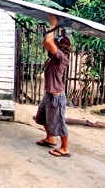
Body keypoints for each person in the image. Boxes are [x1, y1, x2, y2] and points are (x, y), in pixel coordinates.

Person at [35, 14, 72, 157]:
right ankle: (50, 138)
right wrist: (50, 30)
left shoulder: (61, 58)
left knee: (59, 122)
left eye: (56, 44)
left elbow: (50, 42)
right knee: (41, 117)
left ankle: (64, 148)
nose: (52, 46)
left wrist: (53, 26)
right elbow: (46, 42)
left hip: (57, 97)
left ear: (60, 48)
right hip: (49, 95)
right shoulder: (53, 57)